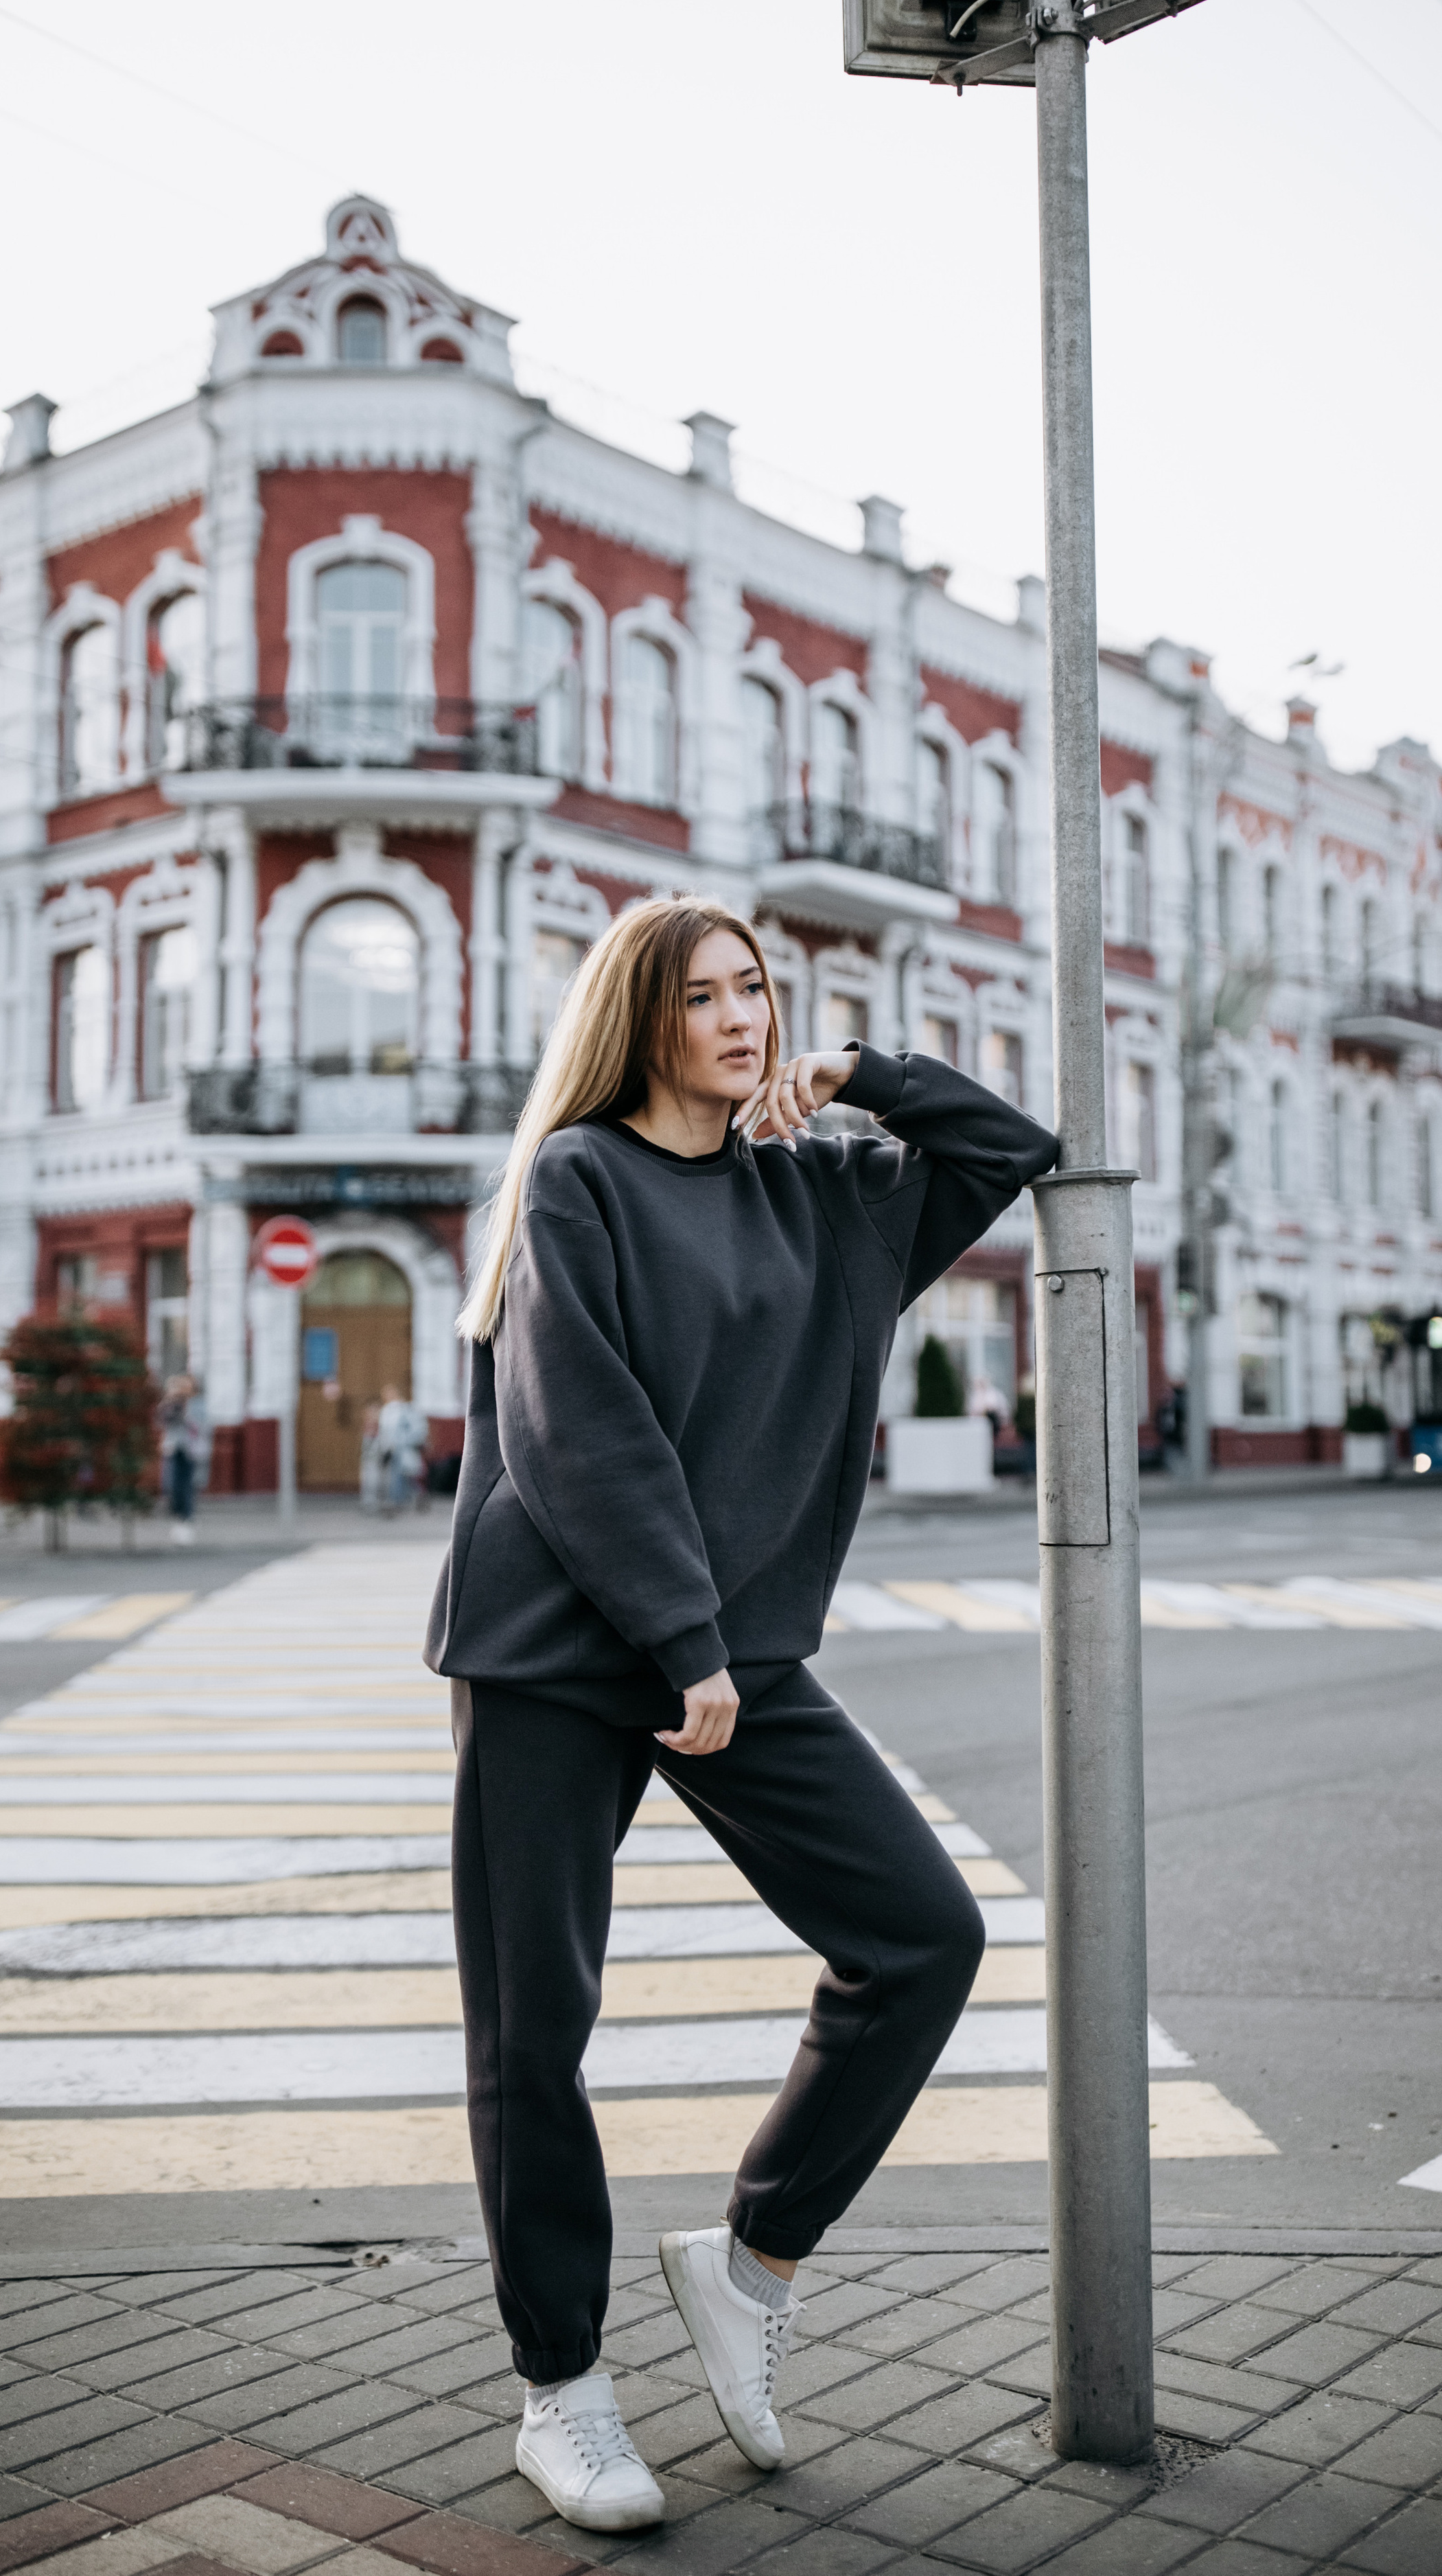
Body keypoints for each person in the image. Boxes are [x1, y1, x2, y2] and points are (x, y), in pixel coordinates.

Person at [427, 898, 1058, 2533]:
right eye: (700, 994)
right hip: (559, 1644)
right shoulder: (576, 1179)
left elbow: (1011, 1146)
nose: (739, 1017)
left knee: (920, 1934)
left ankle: (749, 2260)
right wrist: (682, 1640)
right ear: (636, 1019)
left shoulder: (826, 1189)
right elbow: (581, 1428)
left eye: (756, 990)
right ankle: (558, 2388)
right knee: (534, 2027)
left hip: (732, 1653)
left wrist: (858, 1067)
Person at [157, 1372, 208, 1546]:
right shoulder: (170, 1405)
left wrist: (186, 1410)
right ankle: (179, 1517)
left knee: (186, 1486)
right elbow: (163, 1421)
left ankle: (186, 1520)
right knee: (170, 1485)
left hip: (191, 1452)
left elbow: (199, 1425)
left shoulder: (197, 1405)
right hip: (173, 1450)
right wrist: (172, 1403)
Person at [376, 1383, 425, 1515]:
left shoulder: (407, 1409)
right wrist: (383, 1447)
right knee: (396, 1476)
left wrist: (407, 1441)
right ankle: (400, 1500)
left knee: (404, 1475)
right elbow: (384, 1432)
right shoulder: (386, 1411)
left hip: (404, 1448)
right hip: (392, 1448)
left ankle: (405, 1500)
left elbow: (417, 1429)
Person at [358, 1400, 384, 1513]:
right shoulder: (368, 1426)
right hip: (368, 1456)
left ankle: (373, 1500)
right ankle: (368, 1500)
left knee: (375, 1477)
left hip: (375, 1455)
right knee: (367, 1477)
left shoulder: (379, 1426)